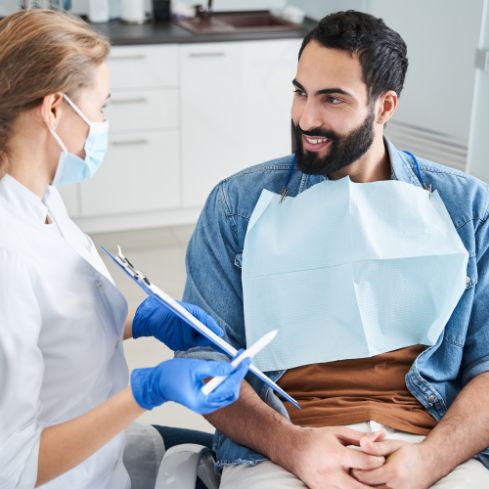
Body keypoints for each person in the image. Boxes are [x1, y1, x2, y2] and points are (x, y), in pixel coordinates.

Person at [180, 10, 489, 489]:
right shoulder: (235, 207)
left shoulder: (467, 209)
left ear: (384, 107)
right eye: (300, 92)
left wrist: (428, 460)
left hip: (424, 441)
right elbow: (204, 362)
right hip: (284, 445)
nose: (307, 118)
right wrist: (292, 446)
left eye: (332, 100)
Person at [0, 9, 250, 489]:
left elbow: (53, 337)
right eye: (102, 107)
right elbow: (13, 469)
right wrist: (147, 391)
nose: (102, 123)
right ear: (54, 110)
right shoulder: (8, 257)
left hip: (106, 457)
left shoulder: (43, 199)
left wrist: (135, 323)